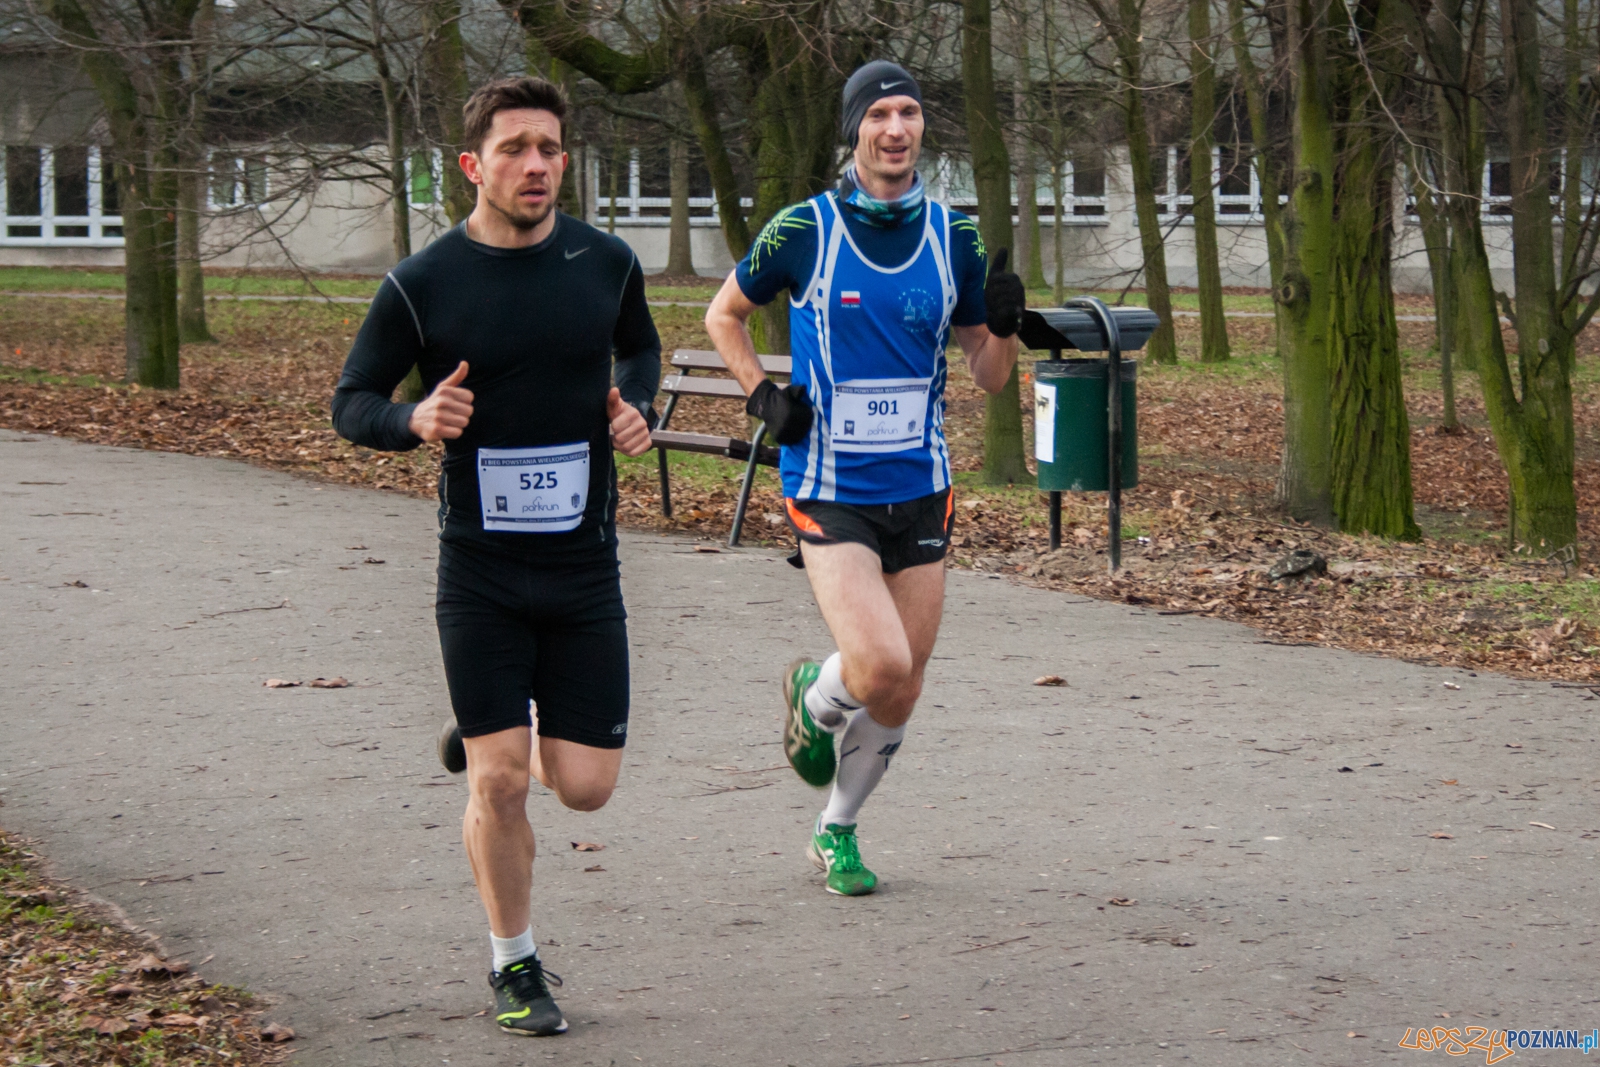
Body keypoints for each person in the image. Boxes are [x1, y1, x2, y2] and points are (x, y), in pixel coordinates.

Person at [330, 76, 660, 1037]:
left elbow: (638, 349)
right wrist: (413, 417)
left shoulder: (606, 262)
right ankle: (514, 964)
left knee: (587, 785)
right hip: (477, 572)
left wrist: (636, 404)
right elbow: (352, 398)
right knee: (502, 781)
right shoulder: (424, 283)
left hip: (583, 567)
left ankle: (492, 733)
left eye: (550, 149)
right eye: (515, 148)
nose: (536, 165)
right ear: (474, 165)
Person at [703, 60, 1026, 896]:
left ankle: (835, 828)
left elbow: (989, 376)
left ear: (922, 129)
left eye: (909, 113)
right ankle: (815, 690)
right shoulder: (801, 229)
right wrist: (763, 395)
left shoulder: (956, 237)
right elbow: (723, 313)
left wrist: (1009, 324)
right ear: (854, 131)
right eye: (878, 113)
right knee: (876, 662)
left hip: (921, 484)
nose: (895, 128)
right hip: (830, 483)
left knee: (902, 687)